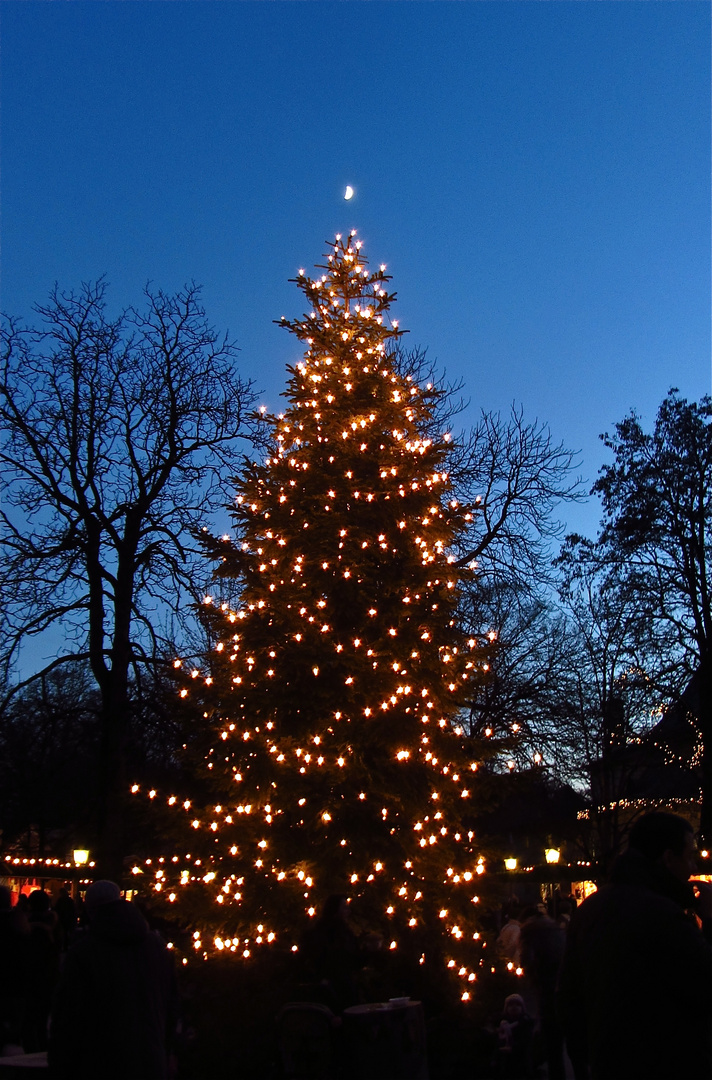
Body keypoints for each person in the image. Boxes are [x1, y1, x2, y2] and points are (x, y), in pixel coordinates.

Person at [557, 811, 712, 1080]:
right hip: (667, 1064)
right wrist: (710, 921)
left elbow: (570, 997)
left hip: (609, 1063)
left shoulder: (590, 909)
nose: (694, 867)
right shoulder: (663, 916)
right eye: (690, 856)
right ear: (668, 858)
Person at [48, 880, 177, 1080]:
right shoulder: (157, 947)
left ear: (91, 910)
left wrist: (61, 1064)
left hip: (100, 1063)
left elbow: (68, 1017)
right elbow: (171, 1006)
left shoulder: (85, 952)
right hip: (151, 1059)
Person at [518, 906, 566, 1080]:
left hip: (546, 986)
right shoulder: (555, 929)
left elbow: (526, 959)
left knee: (552, 1042)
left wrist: (531, 976)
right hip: (565, 986)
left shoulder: (529, 932)